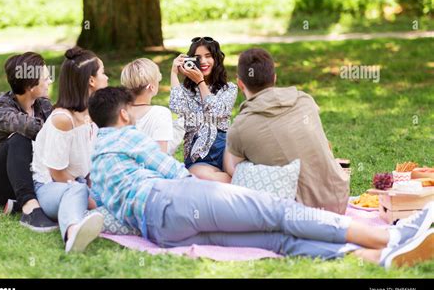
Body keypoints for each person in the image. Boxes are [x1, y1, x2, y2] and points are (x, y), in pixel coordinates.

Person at [88, 86, 434, 269]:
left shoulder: (96, 160)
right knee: (278, 212)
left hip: (162, 232)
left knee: (273, 242)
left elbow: (109, 215)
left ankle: (377, 258)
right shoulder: (127, 135)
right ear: (123, 114)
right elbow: (171, 169)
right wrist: (212, 187)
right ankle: (389, 237)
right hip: (174, 200)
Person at [225, 48, 349, 214]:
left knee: (241, 167)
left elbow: (233, 169)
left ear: (240, 83)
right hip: (338, 202)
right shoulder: (305, 100)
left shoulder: (240, 127)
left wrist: (228, 137)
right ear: (274, 78)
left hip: (298, 216)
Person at [31, 46, 108, 253]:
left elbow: (89, 164)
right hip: (51, 187)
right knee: (79, 191)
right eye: (102, 72)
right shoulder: (63, 119)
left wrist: (95, 190)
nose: (107, 77)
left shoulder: (92, 114)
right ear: (91, 80)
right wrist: (88, 196)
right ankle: (72, 232)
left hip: (81, 182)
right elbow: (56, 172)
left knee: (111, 194)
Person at [0, 52, 57, 232]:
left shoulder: (42, 105)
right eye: (46, 78)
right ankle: (30, 209)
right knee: (19, 138)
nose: (50, 81)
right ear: (30, 85)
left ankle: (19, 202)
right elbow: (35, 129)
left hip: (33, 174)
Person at [169, 37, 237, 183]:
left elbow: (217, 112)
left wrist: (201, 82)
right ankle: (234, 181)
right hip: (199, 155)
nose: (204, 62)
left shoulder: (229, 88)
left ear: (216, 59)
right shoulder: (185, 91)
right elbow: (176, 106)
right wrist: (174, 73)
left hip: (225, 147)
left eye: (208, 56)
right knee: (198, 177)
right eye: (198, 58)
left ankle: (232, 178)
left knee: (236, 168)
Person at [120, 58, 184, 154]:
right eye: (158, 80)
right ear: (152, 87)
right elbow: (161, 157)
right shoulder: (160, 113)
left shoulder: (119, 113)